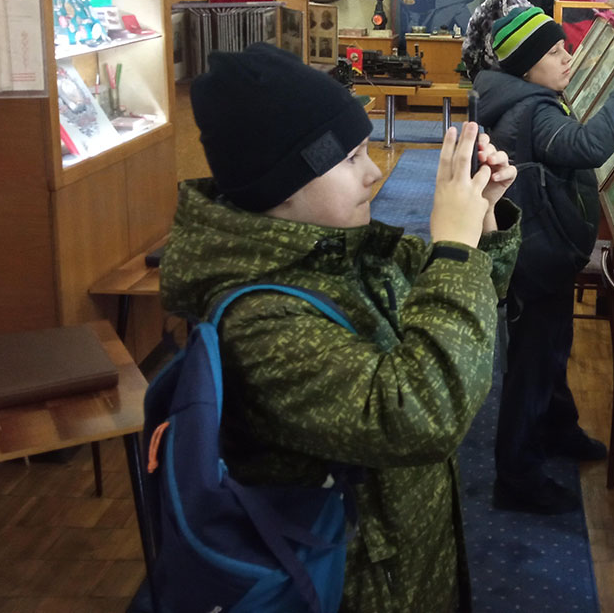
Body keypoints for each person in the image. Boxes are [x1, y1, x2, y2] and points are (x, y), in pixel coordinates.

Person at [160, 43, 521, 613]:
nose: (374, 172)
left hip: (403, 552)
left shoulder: (343, 251)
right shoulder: (259, 321)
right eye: (351, 158)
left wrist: (484, 219)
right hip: (352, 580)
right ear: (282, 184)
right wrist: (453, 249)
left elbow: (466, 308)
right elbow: (419, 414)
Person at [473, 7, 614, 514]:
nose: (567, 57)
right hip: (536, 254)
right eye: (554, 52)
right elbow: (589, 145)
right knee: (533, 364)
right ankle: (517, 475)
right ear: (526, 67)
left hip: (539, 249)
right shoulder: (533, 112)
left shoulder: (522, 98)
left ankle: (557, 427)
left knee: (552, 347)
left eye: (564, 48)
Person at [462, 0, 533, 80]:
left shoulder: (481, 11)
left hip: (488, 79)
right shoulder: (529, 11)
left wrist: (475, 77)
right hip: (519, 81)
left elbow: (468, 49)